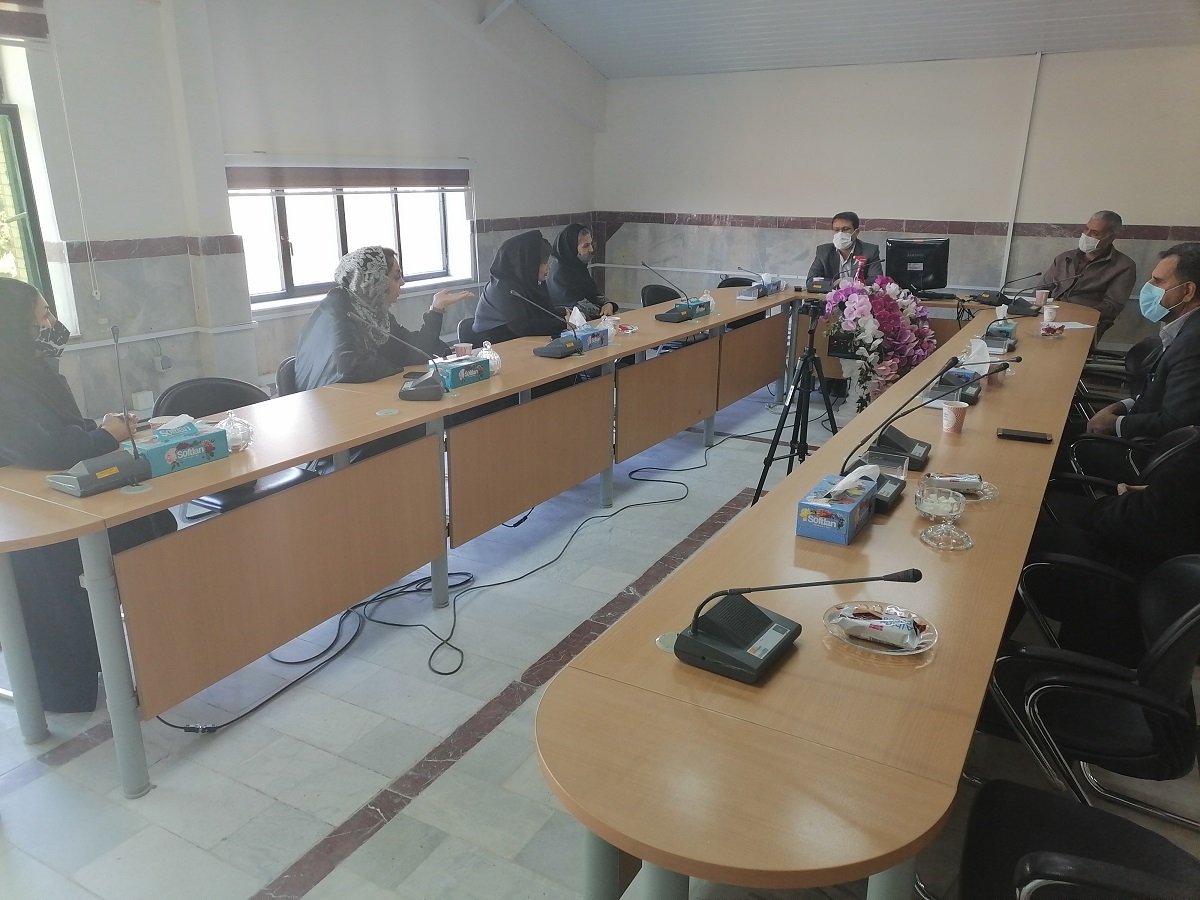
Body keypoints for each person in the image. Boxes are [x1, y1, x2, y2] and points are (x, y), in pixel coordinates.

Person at [0, 277, 175, 712]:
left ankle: (162, 650)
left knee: (154, 522)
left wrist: (102, 428)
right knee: (123, 540)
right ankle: (78, 684)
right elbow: (42, 449)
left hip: (63, 494)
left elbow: (62, 429)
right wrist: (103, 436)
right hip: (29, 520)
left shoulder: (31, 368)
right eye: (42, 316)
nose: (52, 324)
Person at [294, 246, 472, 392]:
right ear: (375, 281)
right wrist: (395, 366)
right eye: (396, 277)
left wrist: (436, 309)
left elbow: (414, 350)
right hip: (326, 407)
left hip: (354, 398)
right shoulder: (339, 311)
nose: (402, 283)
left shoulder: (373, 313)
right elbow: (349, 366)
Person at [1081, 243, 1200, 442]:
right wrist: (1121, 406)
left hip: (1144, 449)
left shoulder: (1192, 344)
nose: (1148, 286)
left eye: (1158, 281)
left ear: (1188, 291)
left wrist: (1114, 424)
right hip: (1140, 422)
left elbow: (1177, 422)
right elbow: (1160, 393)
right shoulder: (1183, 329)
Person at [1034, 210, 1137, 337]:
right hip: (1048, 317)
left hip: (1085, 322)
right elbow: (1041, 290)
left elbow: (1112, 307)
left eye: (1095, 233)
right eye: (1086, 229)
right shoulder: (1064, 258)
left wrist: (1070, 309)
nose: (1087, 235)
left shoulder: (1123, 266)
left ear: (1110, 238)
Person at [472, 230, 565, 344]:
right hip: (494, 344)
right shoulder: (503, 288)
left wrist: (564, 314)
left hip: (521, 341)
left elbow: (544, 312)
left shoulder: (531, 282)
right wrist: (562, 323)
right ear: (528, 263)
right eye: (544, 262)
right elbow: (522, 327)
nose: (548, 267)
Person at [546, 224, 617, 320]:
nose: (591, 249)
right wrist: (603, 312)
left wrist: (608, 304)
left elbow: (594, 294)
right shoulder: (559, 273)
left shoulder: (578, 267)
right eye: (586, 246)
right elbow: (577, 306)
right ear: (571, 248)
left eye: (591, 244)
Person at [807, 212, 883, 283]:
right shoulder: (823, 251)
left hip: (859, 292)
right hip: (829, 292)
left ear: (856, 232)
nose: (840, 233)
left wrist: (849, 284)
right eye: (836, 230)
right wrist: (837, 284)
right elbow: (811, 280)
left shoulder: (870, 251)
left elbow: (876, 280)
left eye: (846, 229)